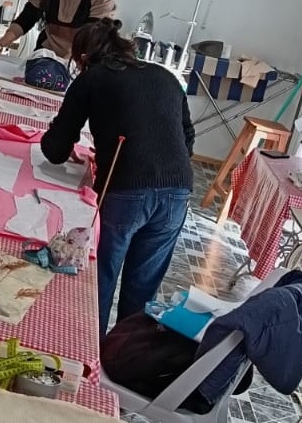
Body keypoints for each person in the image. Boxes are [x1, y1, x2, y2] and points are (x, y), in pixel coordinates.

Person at [40, 20, 194, 337]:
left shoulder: (91, 79)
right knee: (143, 285)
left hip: (126, 190)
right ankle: (125, 353)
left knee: (100, 277)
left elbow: (55, 150)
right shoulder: (164, 76)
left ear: (83, 58)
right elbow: (187, 140)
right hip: (177, 189)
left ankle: (89, 349)